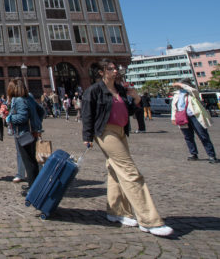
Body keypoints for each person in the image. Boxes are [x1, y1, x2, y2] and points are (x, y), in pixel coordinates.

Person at [82, 59, 173, 237]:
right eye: (110, 69)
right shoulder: (93, 91)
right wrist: (87, 137)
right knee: (130, 172)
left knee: (115, 171)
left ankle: (117, 212)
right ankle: (149, 220)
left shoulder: (120, 89)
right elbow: (87, 114)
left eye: (116, 68)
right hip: (105, 132)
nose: (115, 71)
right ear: (101, 72)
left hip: (122, 131)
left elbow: (130, 111)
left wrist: (136, 98)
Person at [7, 79, 43, 189]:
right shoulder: (29, 98)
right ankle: (34, 184)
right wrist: (36, 124)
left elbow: (22, 117)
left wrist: (9, 118)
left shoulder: (18, 100)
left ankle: (33, 188)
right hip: (33, 133)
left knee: (29, 161)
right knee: (32, 160)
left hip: (24, 134)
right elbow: (41, 111)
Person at [171, 79, 217, 163]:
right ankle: (193, 153)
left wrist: (181, 84)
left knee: (203, 135)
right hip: (182, 117)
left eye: (181, 85)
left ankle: (211, 155)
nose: (179, 86)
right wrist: (173, 118)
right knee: (188, 137)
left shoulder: (192, 93)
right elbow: (174, 107)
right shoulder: (176, 94)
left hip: (195, 116)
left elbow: (193, 90)